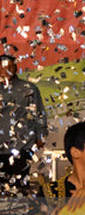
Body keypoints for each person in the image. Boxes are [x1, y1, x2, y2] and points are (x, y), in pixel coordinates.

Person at [0, 53, 47, 190]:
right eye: (3, 67)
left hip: (22, 145)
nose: (7, 70)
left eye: (10, 66)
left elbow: (39, 112)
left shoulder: (29, 88)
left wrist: (41, 135)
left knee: (19, 186)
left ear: (15, 68)